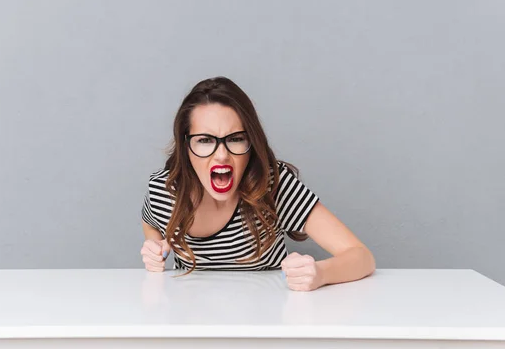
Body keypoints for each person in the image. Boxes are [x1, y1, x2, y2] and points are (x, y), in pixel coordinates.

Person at [141, 77, 375, 291]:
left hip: (266, 323)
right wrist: (154, 248)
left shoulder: (274, 187)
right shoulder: (165, 191)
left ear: (251, 143)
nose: (221, 155)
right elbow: (150, 222)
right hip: (193, 323)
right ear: (185, 147)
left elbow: (362, 257)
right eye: (204, 140)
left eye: (235, 139)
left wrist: (321, 273)